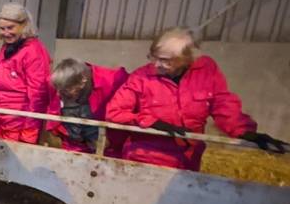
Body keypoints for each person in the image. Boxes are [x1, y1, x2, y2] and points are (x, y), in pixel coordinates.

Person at [106, 27, 286, 170]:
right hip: (145, 157)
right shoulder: (142, 77)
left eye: (165, 60)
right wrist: (151, 122)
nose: (156, 64)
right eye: (154, 57)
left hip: (188, 159)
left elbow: (222, 104)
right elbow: (114, 112)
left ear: (185, 60)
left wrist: (244, 131)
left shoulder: (206, 72)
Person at [0, 2, 52, 144]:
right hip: (2, 118)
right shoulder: (8, 47)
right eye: (2, 28)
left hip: (19, 122)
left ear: (24, 25)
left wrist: (30, 130)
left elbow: (38, 93)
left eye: (11, 28)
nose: (6, 33)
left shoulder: (33, 51)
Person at [47, 58, 129, 157]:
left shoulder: (114, 80)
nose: (59, 94)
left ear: (82, 81)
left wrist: (111, 141)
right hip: (73, 144)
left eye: (66, 90)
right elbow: (53, 114)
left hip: (108, 146)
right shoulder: (60, 82)